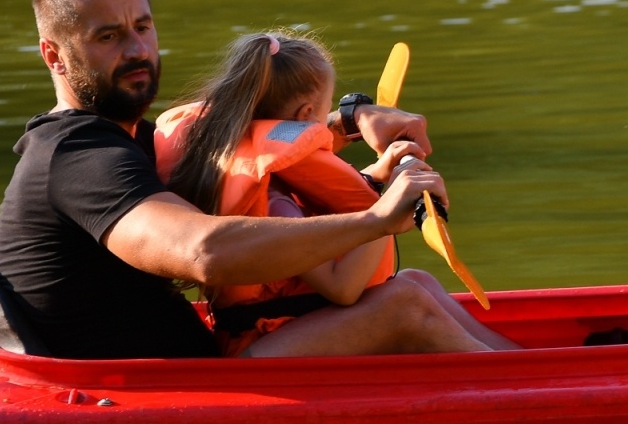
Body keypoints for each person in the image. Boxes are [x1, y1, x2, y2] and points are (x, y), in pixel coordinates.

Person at [0, 0, 500, 359]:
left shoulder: (128, 141)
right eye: (108, 36)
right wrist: (377, 218)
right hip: (169, 398)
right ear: (54, 55)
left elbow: (242, 154)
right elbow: (205, 252)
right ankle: (548, 395)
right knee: (402, 305)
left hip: (203, 369)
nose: (137, 49)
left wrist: (349, 121)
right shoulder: (80, 158)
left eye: (142, 27)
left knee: (412, 285)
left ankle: (551, 366)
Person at [152, 30, 516, 356]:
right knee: (402, 303)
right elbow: (343, 289)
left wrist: (375, 176)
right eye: (325, 113)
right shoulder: (276, 206)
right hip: (261, 351)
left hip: (288, 333)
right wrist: (387, 208)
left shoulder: (270, 177)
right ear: (307, 112)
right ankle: (520, 386)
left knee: (417, 281)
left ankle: (533, 364)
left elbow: (323, 210)